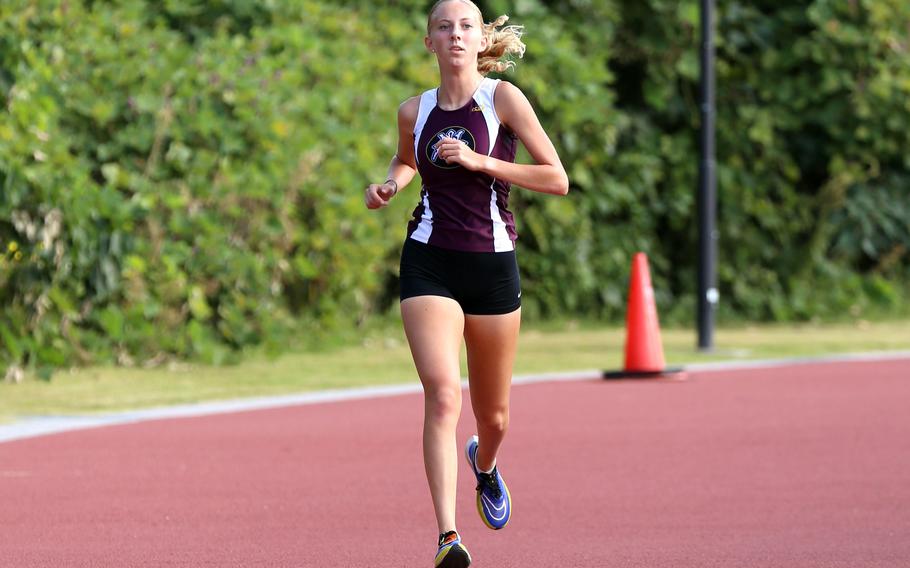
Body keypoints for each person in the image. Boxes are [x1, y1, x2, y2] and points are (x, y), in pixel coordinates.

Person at [364, 1, 568, 566]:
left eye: (466, 27)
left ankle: (486, 464)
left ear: (481, 41)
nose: (455, 35)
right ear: (429, 42)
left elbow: (557, 178)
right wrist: (389, 184)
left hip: (493, 265)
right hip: (429, 259)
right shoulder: (414, 110)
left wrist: (483, 162)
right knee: (442, 393)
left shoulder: (503, 99)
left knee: (493, 416)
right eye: (444, 27)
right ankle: (448, 537)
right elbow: (406, 160)